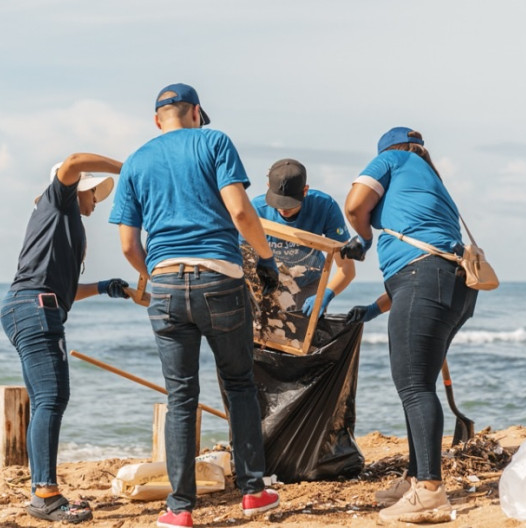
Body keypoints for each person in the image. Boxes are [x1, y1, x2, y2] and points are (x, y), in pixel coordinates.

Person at [108, 83, 281, 528]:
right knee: (239, 384)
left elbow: (128, 244)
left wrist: (153, 276)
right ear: (197, 112)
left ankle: (179, 509)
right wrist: (266, 260)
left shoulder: (136, 162)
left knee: (181, 396)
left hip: (164, 286)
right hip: (218, 278)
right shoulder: (214, 141)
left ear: (156, 120)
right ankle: (253, 493)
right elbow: (242, 213)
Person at [341, 127, 478, 523]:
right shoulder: (435, 184)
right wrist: (371, 309)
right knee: (419, 386)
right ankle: (416, 477)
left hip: (425, 279)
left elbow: (354, 206)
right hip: (455, 286)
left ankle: (431, 492)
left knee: (414, 387)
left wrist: (363, 238)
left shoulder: (394, 159)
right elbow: (418, 277)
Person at [0, 153, 128, 524]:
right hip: (35, 307)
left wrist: (106, 287)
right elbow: (71, 161)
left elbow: (67, 291)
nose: (96, 200)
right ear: (78, 189)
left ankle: (42, 490)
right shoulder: (59, 202)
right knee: (53, 398)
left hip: (31, 305)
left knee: (46, 400)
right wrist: (127, 166)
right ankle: (45, 495)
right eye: (93, 193)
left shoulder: (64, 223)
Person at [250, 158, 354, 316]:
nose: (284, 209)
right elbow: (241, 261)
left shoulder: (325, 206)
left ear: (305, 190)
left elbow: (346, 268)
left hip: (308, 283)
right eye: (278, 202)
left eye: (290, 203)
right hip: (267, 282)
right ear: (268, 188)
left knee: (306, 335)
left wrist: (325, 295)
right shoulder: (256, 210)